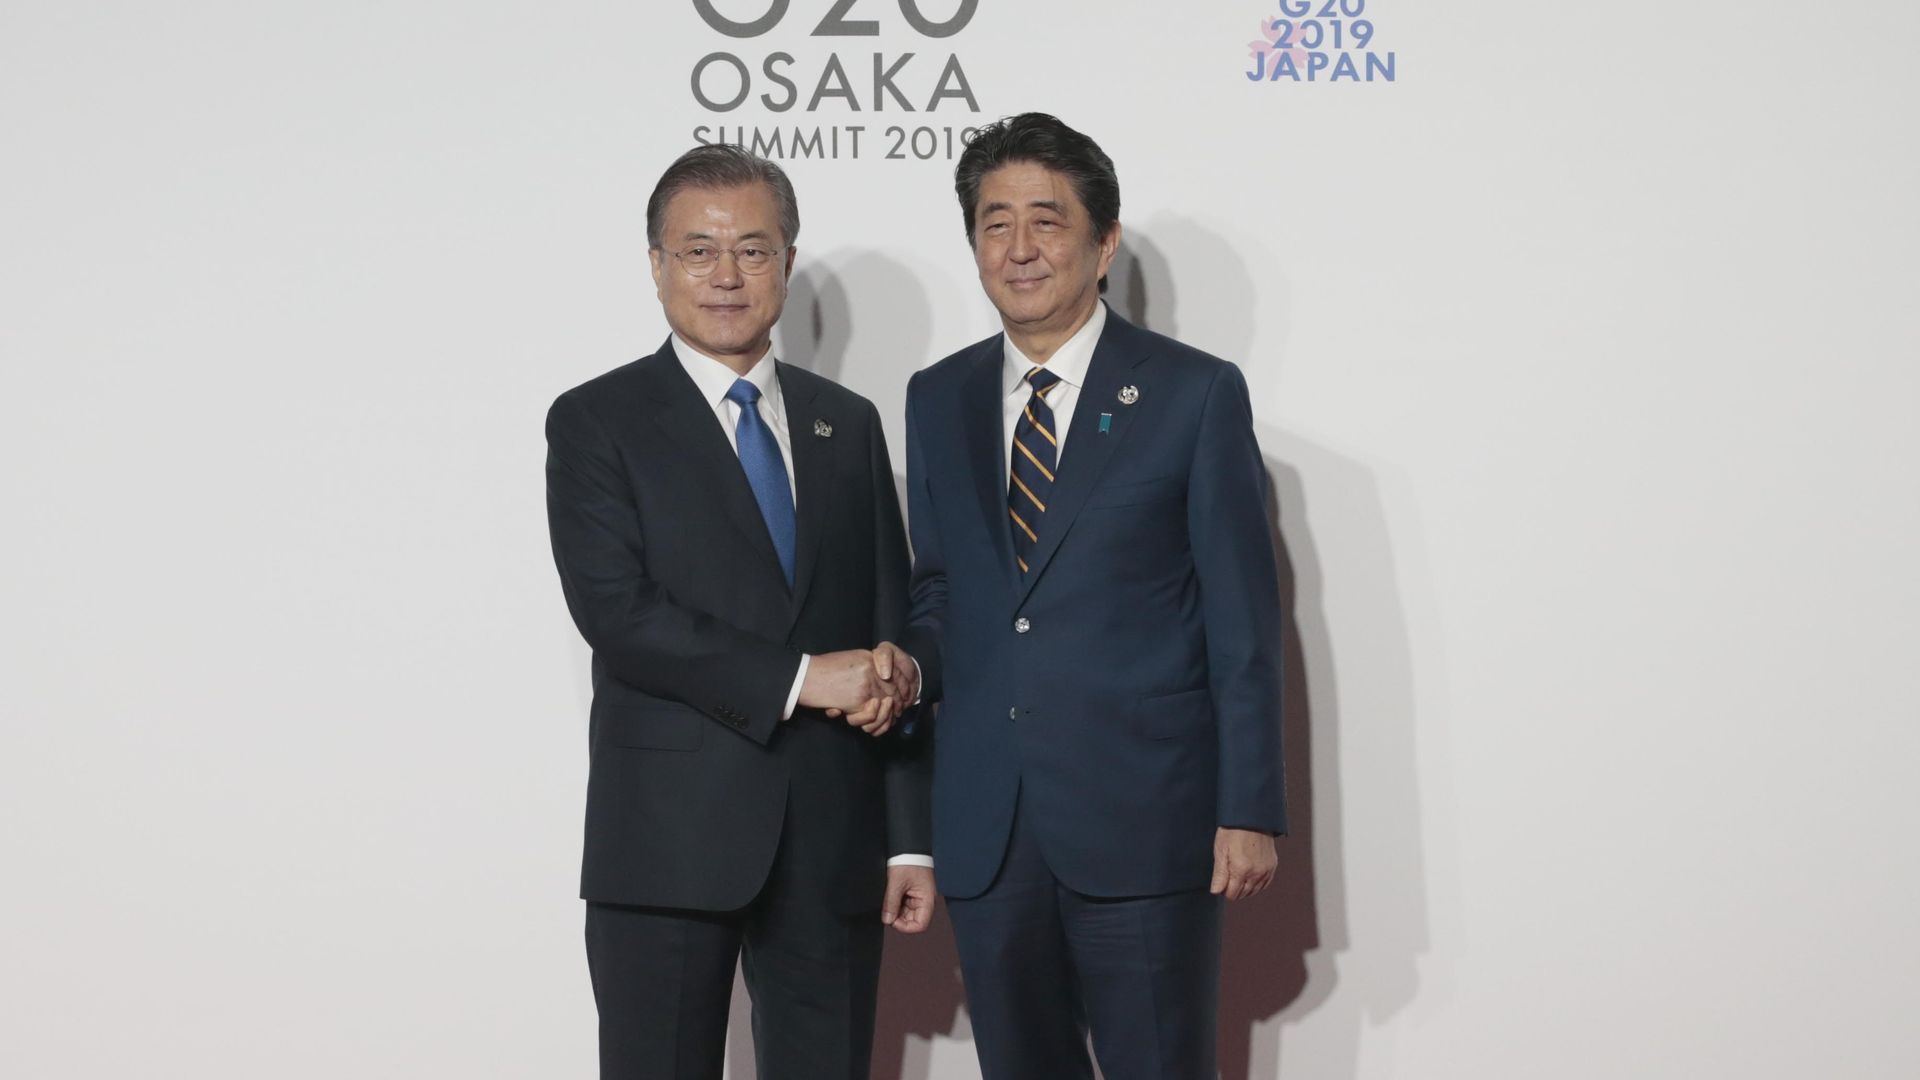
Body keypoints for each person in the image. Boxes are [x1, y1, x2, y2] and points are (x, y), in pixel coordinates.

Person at [898, 113, 1287, 1079]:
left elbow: (1243, 615)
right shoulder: (935, 397)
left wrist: (1248, 807)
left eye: (1047, 221)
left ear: (1103, 241)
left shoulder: (1194, 394)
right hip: (991, 825)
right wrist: (905, 667)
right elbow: (942, 588)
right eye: (995, 224)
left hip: (1149, 818)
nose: (1020, 249)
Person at [544, 143, 935, 1080]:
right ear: (657, 265)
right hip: (667, 841)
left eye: (754, 251)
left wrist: (909, 836)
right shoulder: (597, 420)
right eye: (698, 251)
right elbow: (620, 614)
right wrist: (805, 679)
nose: (727, 276)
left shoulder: (849, 423)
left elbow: (892, 616)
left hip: (833, 841)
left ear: (788, 263)